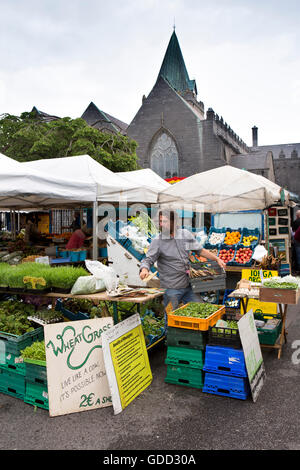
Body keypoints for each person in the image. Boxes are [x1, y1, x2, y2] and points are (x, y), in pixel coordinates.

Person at [139, 210, 226, 312]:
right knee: (171, 316)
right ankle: (169, 328)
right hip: (171, 289)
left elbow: (200, 251)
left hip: (188, 285)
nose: (162, 224)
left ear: (174, 222)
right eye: (160, 221)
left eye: (165, 221)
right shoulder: (158, 241)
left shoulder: (185, 235)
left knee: (199, 310)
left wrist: (217, 259)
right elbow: (148, 259)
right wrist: (144, 269)